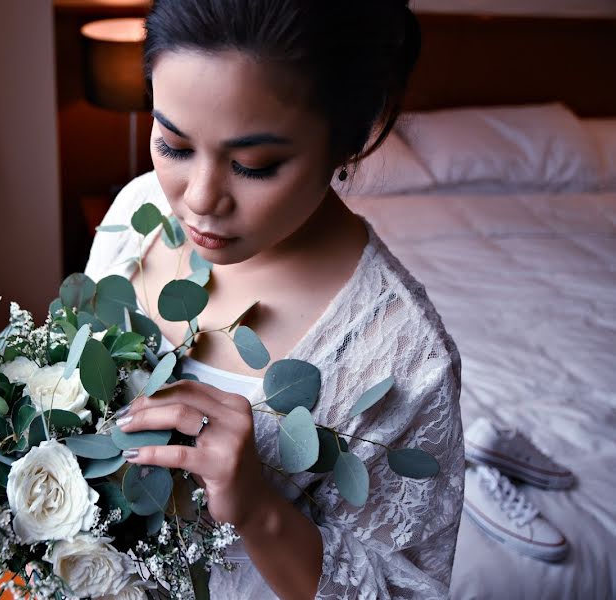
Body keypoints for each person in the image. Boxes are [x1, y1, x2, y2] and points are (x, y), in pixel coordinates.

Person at [84, 1, 464, 598]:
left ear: (350, 137)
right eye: (174, 145)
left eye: (254, 165)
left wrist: (259, 509)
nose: (202, 199)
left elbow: (403, 589)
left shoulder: (403, 357)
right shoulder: (137, 216)